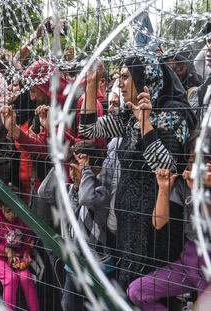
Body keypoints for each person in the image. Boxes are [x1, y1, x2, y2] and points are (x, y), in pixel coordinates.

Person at [79, 55, 196, 289]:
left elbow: (167, 169)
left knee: (146, 292)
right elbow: (88, 129)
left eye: (125, 77)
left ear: (146, 79)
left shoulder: (173, 115)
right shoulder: (128, 116)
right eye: (119, 77)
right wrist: (91, 85)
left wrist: (145, 123)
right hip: (126, 222)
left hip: (155, 225)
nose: (119, 84)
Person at [127, 132, 211, 310]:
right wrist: (164, 189)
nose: (197, 164)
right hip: (190, 257)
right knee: (138, 291)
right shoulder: (184, 183)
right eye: (193, 158)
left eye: (203, 158)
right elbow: (159, 222)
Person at [61, 141, 113, 310]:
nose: (71, 172)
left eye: (74, 167)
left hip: (98, 263)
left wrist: (85, 171)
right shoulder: (73, 190)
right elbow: (44, 192)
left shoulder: (101, 190)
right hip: (75, 261)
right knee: (69, 305)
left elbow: (87, 198)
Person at [0, 198, 39, 311]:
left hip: (18, 258)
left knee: (26, 278)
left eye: (15, 211)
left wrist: (26, 254)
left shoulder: (21, 218)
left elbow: (28, 240)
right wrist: (5, 250)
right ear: (1, 207)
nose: (13, 214)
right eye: (8, 210)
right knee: (11, 278)